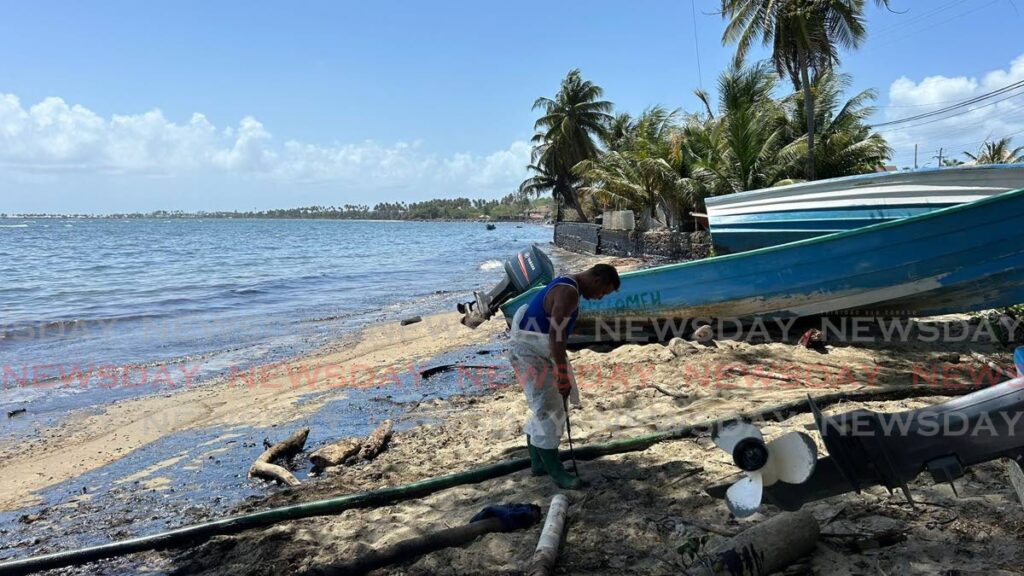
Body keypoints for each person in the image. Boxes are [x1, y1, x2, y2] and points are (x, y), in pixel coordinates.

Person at [509, 263, 620, 489]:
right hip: (531, 352)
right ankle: (556, 471)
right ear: (597, 280)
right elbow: (556, 335)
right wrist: (561, 374)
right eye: (602, 293)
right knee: (550, 409)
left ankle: (539, 462)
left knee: (543, 406)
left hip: (535, 348)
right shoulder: (569, 292)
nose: (599, 298)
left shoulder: (569, 284)